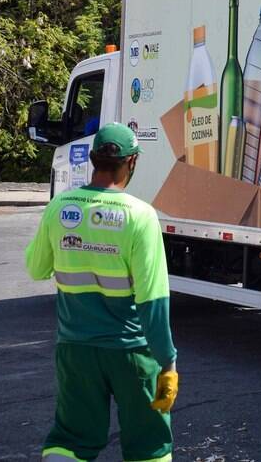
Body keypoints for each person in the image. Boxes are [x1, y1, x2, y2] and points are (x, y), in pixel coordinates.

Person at [26, 122, 179, 462]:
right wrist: (167, 363)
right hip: (132, 354)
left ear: (93, 160)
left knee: (70, 441)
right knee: (149, 446)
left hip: (75, 349)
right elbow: (153, 303)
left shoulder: (59, 207)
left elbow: (36, 268)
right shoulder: (140, 217)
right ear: (132, 162)